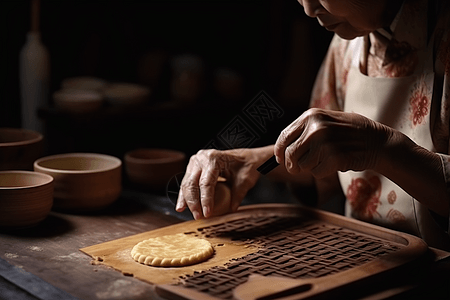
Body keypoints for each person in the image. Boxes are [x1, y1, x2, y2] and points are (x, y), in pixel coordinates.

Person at [176, 0, 450, 251]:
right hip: (364, 255)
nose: (309, 9)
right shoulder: (347, 44)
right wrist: (252, 162)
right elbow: (323, 156)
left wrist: (380, 148)